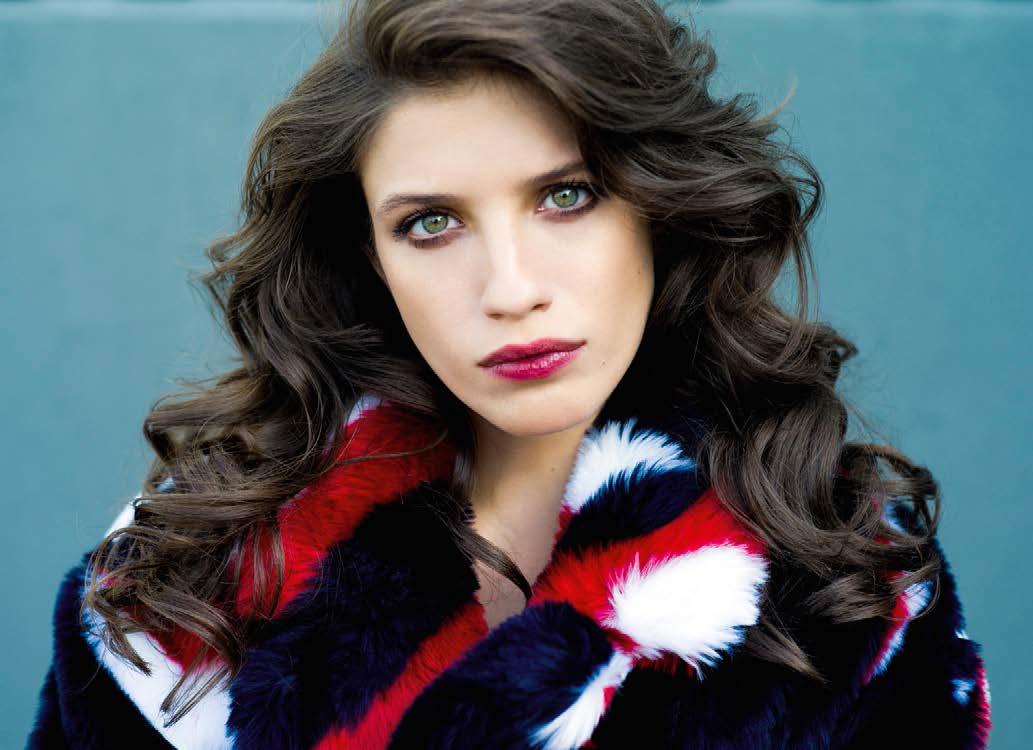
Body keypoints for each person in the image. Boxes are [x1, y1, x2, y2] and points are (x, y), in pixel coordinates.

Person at [28, 0, 992, 748]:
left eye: (566, 196)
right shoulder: (180, 593)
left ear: (658, 207)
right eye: (430, 223)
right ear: (369, 258)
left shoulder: (848, 584)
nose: (510, 289)